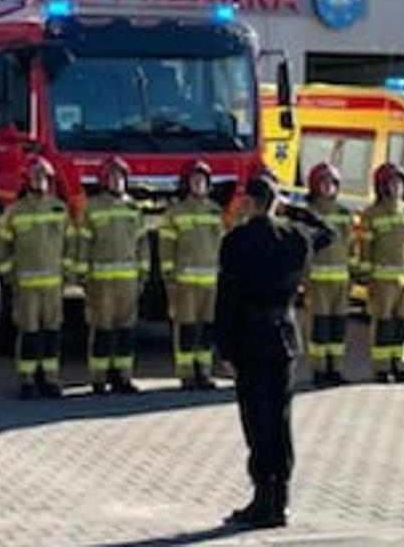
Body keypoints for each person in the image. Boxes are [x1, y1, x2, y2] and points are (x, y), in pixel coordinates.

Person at [215, 173, 333, 530]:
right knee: (279, 419)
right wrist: (299, 213)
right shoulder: (294, 238)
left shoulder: (236, 241)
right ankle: (279, 499)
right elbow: (328, 234)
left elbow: (227, 299)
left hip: (250, 337)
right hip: (284, 335)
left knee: (256, 419)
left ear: (249, 203)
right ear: (276, 202)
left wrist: (225, 348)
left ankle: (262, 496)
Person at [0, 156, 70, 400]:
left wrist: (67, 273)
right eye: (35, 177)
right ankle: (27, 381)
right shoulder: (14, 212)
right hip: (26, 286)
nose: (39, 181)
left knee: (51, 333)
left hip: (53, 286)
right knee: (29, 333)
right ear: (26, 180)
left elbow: (70, 245)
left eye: (43, 177)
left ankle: (50, 379)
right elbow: (3, 248)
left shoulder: (60, 209)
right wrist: (8, 275)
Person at [75, 156, 147, 395]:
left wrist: (143, 273)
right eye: (113, 177)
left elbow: (141, 244)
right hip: (101, 282)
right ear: (105, 181)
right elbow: (84, 243)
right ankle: (98, 379)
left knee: (126, 331)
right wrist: (83, 275)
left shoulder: (133, 208)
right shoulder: (93, 208)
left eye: (121, 177)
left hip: (128, 282)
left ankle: (122, 378)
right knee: (102, 330)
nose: (118, 182)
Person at [159, 160, 225, 390]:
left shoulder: (215, 211)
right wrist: (169, 274)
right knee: (186, 328)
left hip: (209, 282)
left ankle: (204, 373)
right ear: (187, 184)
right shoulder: (175, 213)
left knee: (206, 329)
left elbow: (221, 244)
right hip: (184, 282)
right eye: (195, 180)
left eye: (203, 181)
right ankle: (186, 374)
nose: (199, 184)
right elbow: (166, 247)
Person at [356, 164, 404, 384]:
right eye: (392, 183)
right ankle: (382, 367)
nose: (397, 187)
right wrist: (365, 276)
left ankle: (400, 364)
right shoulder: (371, 214)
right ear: (382, 187)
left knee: (403, 324)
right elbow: (365, 248)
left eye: (400, 183)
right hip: (382, 280)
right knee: (383, 324)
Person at [301, 164, 356, 387]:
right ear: (315, 186)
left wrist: (353, 274)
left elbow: (351, 246)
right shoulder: (308, 213)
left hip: (341, 281)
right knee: (319, 327)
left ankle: (335, 368)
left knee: (337, 327)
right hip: (317, 282)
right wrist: (303, 279)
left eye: (333, 183)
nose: (329, 188)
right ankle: (319, 369)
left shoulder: (344, 214)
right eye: (324, 183)